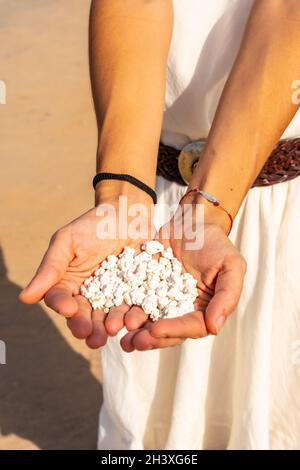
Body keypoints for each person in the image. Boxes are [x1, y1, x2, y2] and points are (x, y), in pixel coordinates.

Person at [20, 0, 300, 450]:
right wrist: (121, 198)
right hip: (156, 196)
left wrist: (208, 209)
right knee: (152, 420)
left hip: (284, 190)